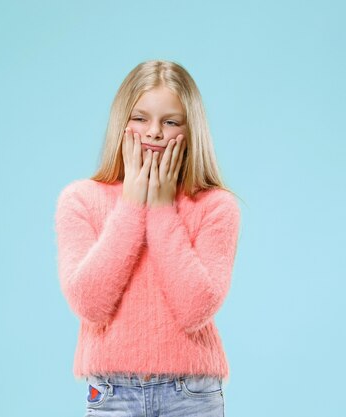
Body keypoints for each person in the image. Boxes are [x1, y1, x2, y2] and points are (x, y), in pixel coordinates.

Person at [54, 59, 241, 417]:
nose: (154, 132)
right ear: (121, 123)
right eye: (140, 118)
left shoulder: (216, 206)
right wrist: (131, 204)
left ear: (191, 129)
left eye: (170, 122)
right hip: (113, 395)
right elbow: (89, 305)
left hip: (192, 396)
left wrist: (160, 209)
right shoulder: (81, 200)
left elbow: (195, 308)